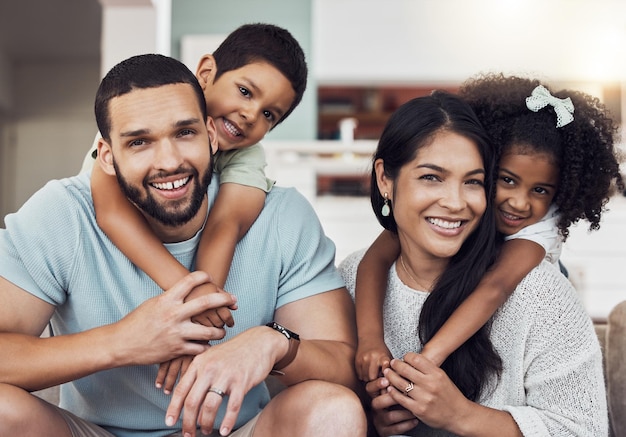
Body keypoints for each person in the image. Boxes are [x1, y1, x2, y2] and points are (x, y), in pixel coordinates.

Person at [0, 54, 366, 437]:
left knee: (333, 411)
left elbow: (343, 366)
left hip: (236, 432)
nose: (169, 161)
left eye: (184, 133)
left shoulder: (281, 215)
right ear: (106, 156)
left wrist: (273, 344)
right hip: (95, 432)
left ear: (210, 134)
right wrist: (123, 342)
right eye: (139, 142)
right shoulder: (63, 213)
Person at [339, 91, 608, 436]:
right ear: (385, 179)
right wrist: (374, 417)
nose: (454, 202)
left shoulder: (539, 290)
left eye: (473, 181)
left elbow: (584, 430)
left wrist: (460, 415)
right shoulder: (349, 276)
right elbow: (373, 260)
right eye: (431, 177)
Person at [84, 23, 308, 391]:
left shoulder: (247, 157)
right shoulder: (135, 122)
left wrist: (198, 320)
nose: (252, 114)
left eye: (270, 115)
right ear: (206, 73)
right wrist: (189, 296)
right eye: (245, 91)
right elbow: (111, 213)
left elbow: (226, 225)